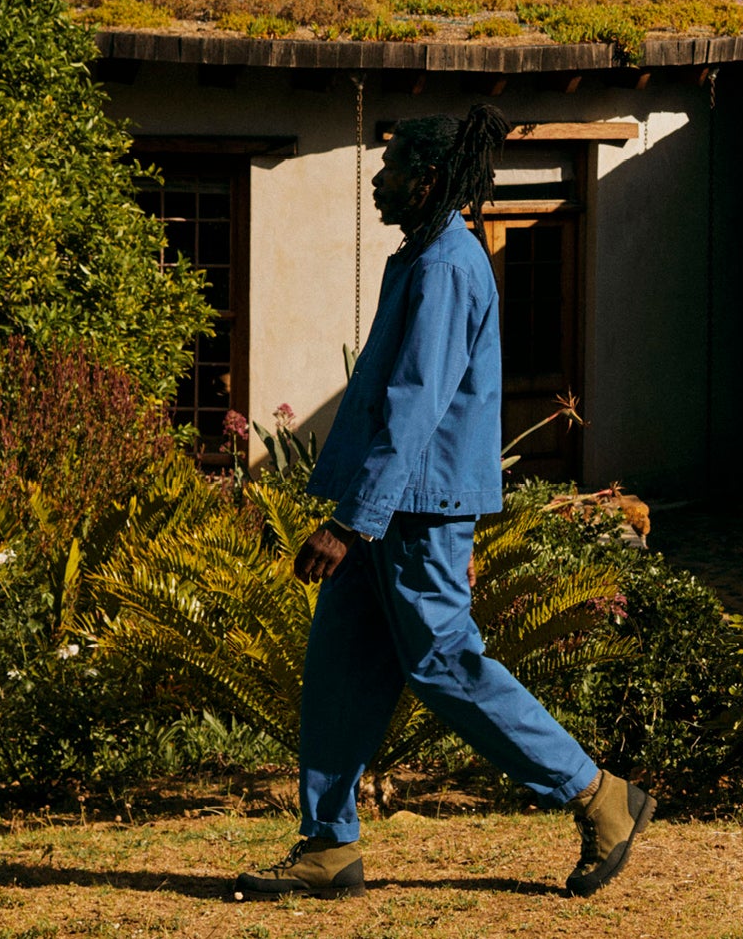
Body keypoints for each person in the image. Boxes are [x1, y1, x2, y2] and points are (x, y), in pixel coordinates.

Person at [234, 104, 652, 902]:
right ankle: (327, 845)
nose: (378, 179)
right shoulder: (416, 259)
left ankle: (599, 795)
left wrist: (349, 521)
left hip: (412, 512)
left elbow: (414, 406)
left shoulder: (446, 268)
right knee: (339, 671)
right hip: (383, 508)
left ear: (429, 178)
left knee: (444, 666)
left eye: (393, 168)